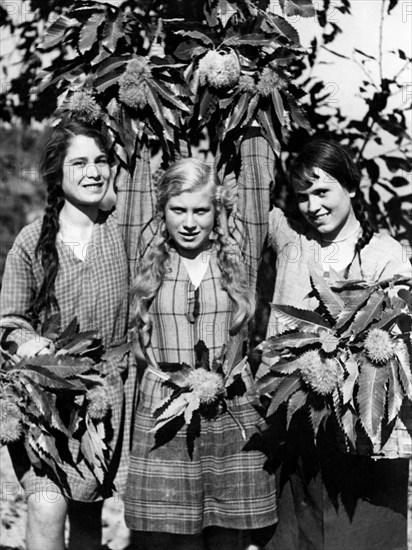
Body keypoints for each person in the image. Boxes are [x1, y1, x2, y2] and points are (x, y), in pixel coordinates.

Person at [119, 130, 277, 549]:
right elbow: (134, 184)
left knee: (227, 538)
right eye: (178, 209)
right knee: (169, 539)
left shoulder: (238, 254)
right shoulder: (146, 253)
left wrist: (253, 109)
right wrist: (138, 115)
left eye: (201, 211)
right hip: (163, 415)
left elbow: (258, 180)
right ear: (162, 210)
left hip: (232, 412)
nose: (189, 222)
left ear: (217, 211)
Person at [264, 139, 412, 550]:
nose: (313, 205)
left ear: (350, 186)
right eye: (302, 196)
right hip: (300, 430)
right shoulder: (293, 242)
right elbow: (248, 191)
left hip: (366, 437)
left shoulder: (388, 255)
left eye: (323, 191)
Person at [0, 120, 131, 550]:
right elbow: (9, 321)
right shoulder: (31, 241)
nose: (93, 172)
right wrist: (27, 343)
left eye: (101, 161)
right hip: (43, 400)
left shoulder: (122, 232)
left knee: (87, 510)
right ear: (57, 173)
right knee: (45, 504)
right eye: (79, 163)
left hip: (103, 400)